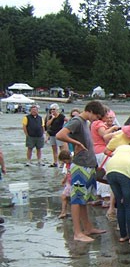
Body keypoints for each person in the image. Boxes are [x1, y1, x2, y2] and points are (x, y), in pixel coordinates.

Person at [56, 100, 107, 242]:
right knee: (77, 199)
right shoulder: (77, 121)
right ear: (90, 111)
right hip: (80, 165)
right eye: (96, 116)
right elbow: (60, 135)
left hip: (88, 165)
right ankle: (77, 233)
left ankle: (87, 227)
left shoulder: (85, 122)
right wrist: (76, 143)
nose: (96, 119)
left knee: (85, 199)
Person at [45, 103, 67, 167]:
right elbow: (47, 124)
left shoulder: (61, 116)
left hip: (59, 134)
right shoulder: (50, 116)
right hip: (52, 134)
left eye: (54, 109)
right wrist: (52, 118)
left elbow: (68, 120)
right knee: (54, 149)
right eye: (51, 109)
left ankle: (62, 162)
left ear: (57, 109)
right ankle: (55, 162)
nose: (52, 111)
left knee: (61, 148)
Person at [58, 150, 72, 219]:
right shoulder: (68, 164)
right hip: (69, 183)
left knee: (65, 197)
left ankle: (64, 212)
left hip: (73, 183)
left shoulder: (74, 164)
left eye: (64, 161)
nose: (64, 163)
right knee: (64, 197)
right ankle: (64, 212)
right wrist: (64, 179)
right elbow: (68, 173)